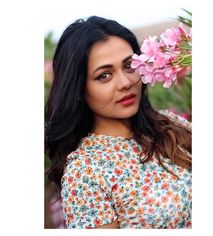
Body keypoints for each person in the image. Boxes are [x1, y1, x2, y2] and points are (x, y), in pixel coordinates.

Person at [45, 16, 192, 229]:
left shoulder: (169, 123)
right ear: (78, 89)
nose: (125, 83)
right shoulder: (85, 173)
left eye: (129, 65)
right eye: (104, 75)